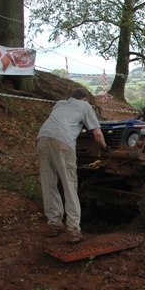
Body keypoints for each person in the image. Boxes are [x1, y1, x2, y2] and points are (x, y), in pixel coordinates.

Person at [36, 88, 109, 243]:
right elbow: (97, 133)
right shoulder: (85, 106)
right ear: (84, 98)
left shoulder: (60, 104)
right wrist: (105, 148)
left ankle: (54, 224)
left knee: (49, 184)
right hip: (62, 141)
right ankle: (73, 230)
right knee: (69, 185)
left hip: (42, 138)